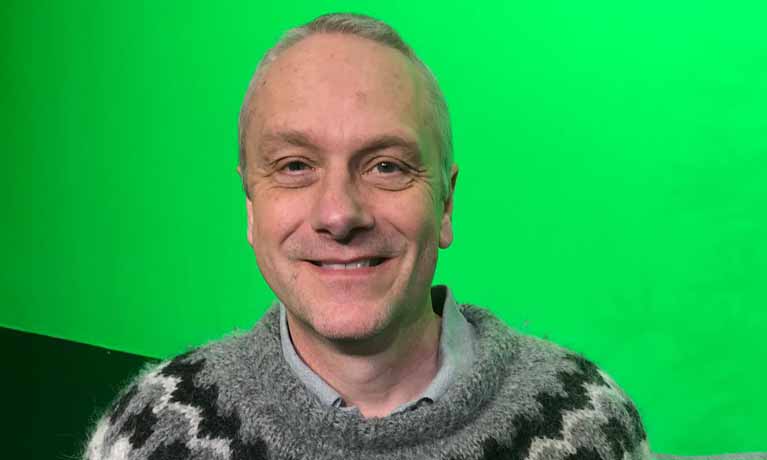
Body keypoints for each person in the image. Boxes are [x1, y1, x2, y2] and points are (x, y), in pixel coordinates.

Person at [85, 13, 651, 460]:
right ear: (251, 209)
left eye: (386, 166)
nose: (339, 214)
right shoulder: (152, 432)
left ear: (446, 203)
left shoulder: (586, 423)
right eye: (294, 166)